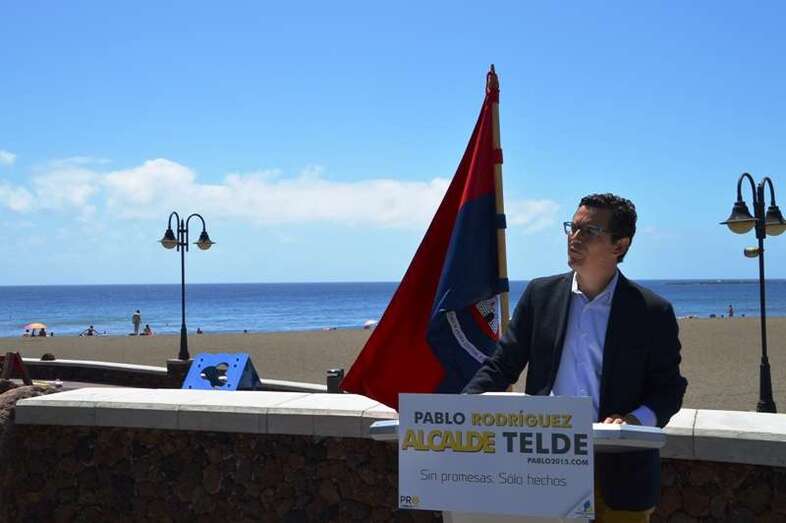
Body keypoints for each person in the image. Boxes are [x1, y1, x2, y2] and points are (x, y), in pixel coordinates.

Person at [463, 193, 687, 521]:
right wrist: (463, 405)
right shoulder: (541, 296)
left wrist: (635, 421)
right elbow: (503, 364)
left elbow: (669, 390)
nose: (575, 237)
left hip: (621, 476)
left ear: (619, 245)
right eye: (572, 227)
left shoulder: (652, 311)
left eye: (589, 231)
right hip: (544, 468)